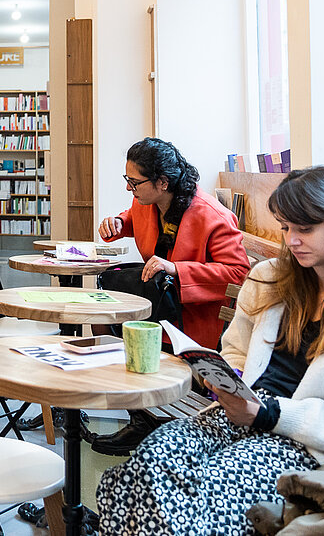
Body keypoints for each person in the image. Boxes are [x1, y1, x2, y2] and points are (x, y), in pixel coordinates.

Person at [94, 165, 324, 536]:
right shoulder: (273, 278)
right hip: (240, 413)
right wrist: (230, 380)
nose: (291, 241)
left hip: (305, 444)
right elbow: (236, 350)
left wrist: (268, 414)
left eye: (304, 229)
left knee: (195, 493)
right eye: (286, 228)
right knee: (147, 463)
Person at [91, 136, 250, 454]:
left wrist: (178, 270)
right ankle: (142, 422)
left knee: (119, 331)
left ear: (162, 182)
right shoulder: (145, 202)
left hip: (190, 320)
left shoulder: (211, 216)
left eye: (134, 182)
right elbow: (132, 218)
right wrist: (117, 223)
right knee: (103, 321)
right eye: (127, 180)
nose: (129, 189)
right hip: (159, 308)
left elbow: (238, 274)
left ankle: (151, 428)